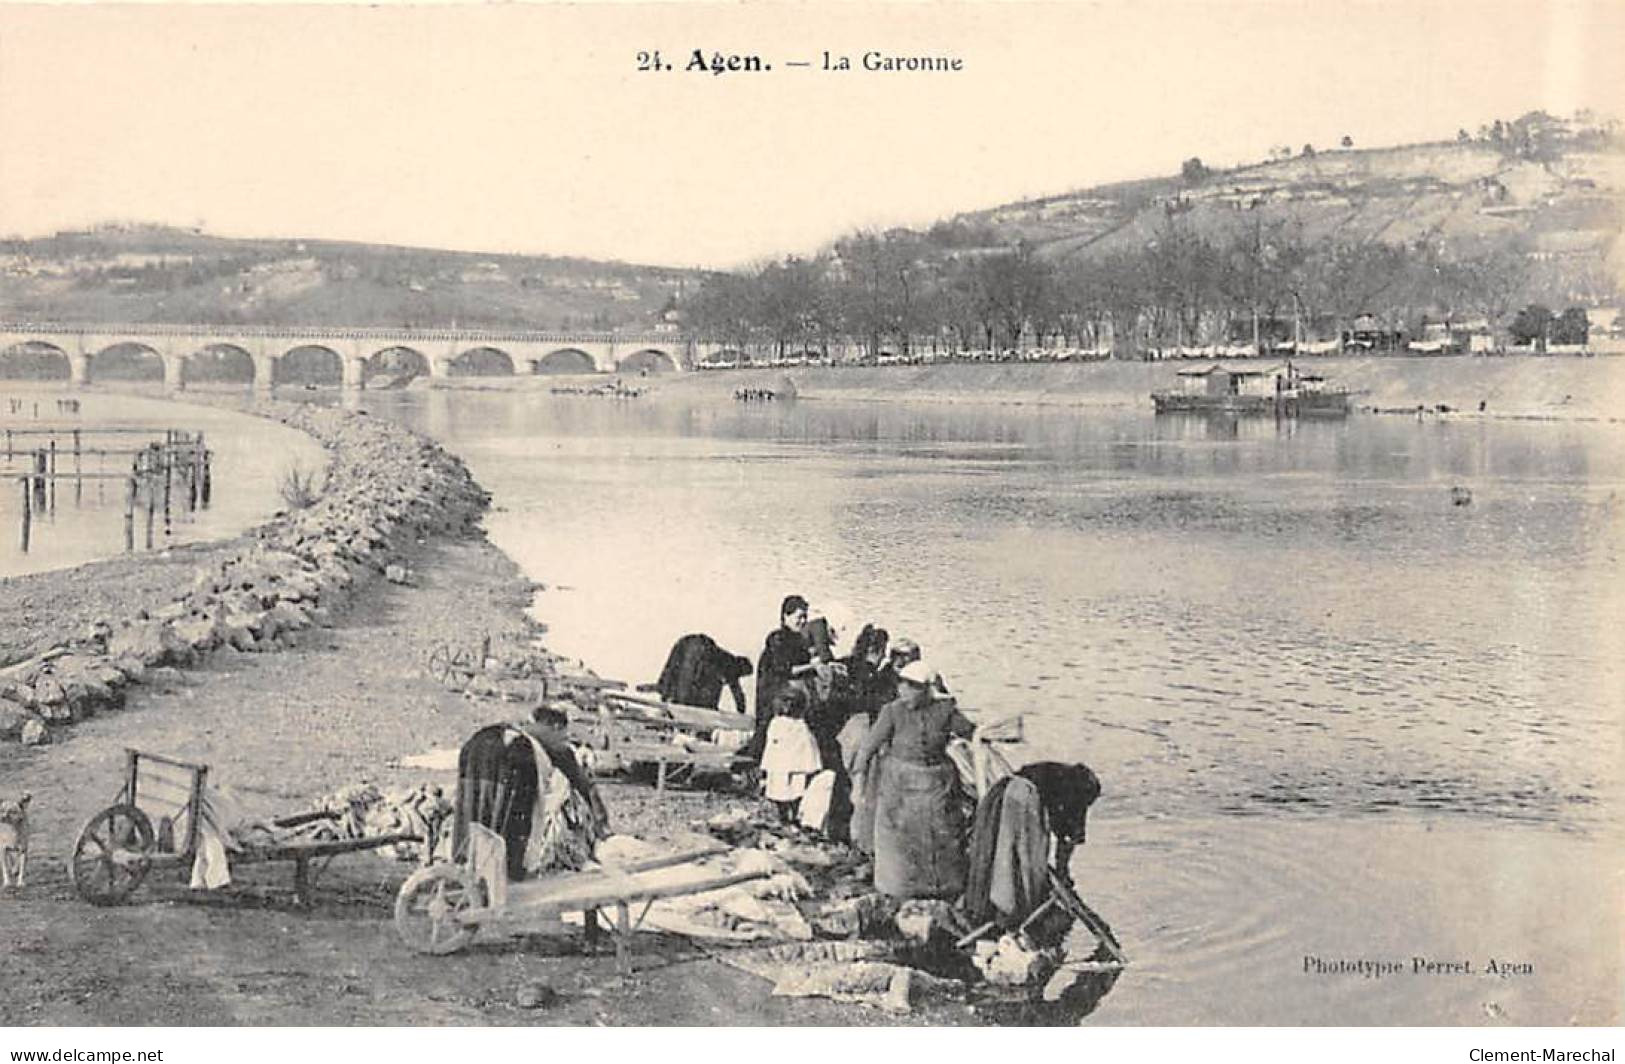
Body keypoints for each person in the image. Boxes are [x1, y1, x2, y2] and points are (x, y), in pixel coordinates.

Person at [851, 660, 976, 899]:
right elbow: (867, 748)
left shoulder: (945, 710)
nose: (905, 691)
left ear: (927, 689)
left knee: (942, 834)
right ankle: (900, 889)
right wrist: (858, 784)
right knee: (900, 838)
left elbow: (970, 732)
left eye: (914, 687)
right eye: (903, 685)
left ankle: (943, 887)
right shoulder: (892, 712)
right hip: (900, 785)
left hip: (937, 784)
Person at [743, 594, 812, 763]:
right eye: (799, 617)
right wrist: (813, 666)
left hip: (791, 701)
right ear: (785, 616)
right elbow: (785, 669)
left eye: (805, 617)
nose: (803, 621)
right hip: (774, 701)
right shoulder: (777, 638)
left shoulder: (800, 642)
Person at [1016, 761, 1101, 884]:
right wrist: (1062, 870)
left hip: (1024, 786)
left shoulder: (1067, 787)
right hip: (1028, 792)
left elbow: (1068, 833)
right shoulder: (1068, 791)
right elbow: (1066, 834)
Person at [654, 633, 754, 714]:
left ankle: (666, 694)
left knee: (680, 676)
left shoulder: (725, 659)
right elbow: (737, 692)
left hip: (686, 643)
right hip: (699, 650)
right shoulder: (732, 666)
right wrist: (741, 710)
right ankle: (677, 704)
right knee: (698, 686)